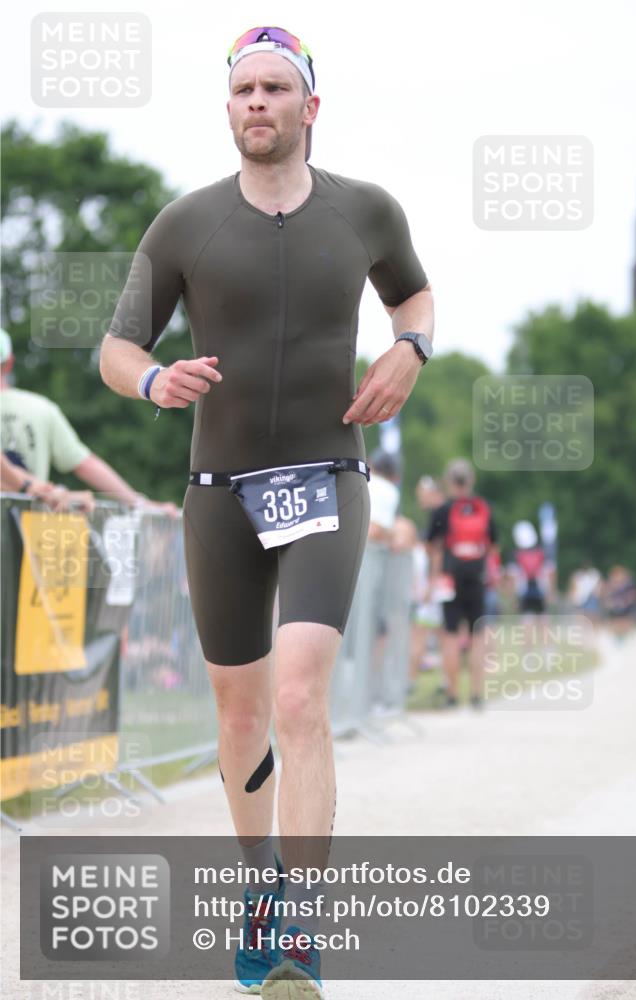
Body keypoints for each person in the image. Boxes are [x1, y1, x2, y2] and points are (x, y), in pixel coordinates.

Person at [98, 25, 433, 998]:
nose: (257, 102)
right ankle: (260, 887)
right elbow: (117, 347)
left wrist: (409, 351)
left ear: (309, 106)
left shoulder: (366, 210)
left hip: (327, 476)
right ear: (229, 106)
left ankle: (303, 923)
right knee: (240, 711)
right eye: (243, 88)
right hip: (219, 494)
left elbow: (414, 297)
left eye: (275, 88)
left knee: (297, 699)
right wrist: (153, 379)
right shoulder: (185, 223)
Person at [0, 328, 171, 513]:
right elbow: (86, 464)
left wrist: (41, 489)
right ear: (9, 363)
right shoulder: (40, 408)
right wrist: (141, 503)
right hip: (22, 525)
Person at [426, 459, 498, 709]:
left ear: (449, 481)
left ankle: (453, 695)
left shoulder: (442, 511)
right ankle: (477, 694)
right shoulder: (484, 508)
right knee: (478, 637)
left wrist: (434, 578)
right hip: (477, 578)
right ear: (471, 481)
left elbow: (432, 548)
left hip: (450, 579)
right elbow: (493, 546)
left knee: (450, 636)